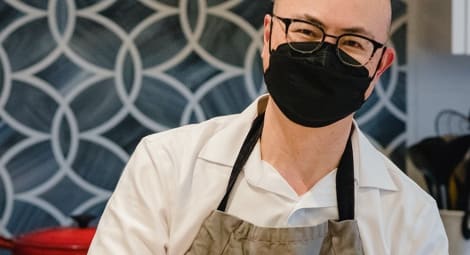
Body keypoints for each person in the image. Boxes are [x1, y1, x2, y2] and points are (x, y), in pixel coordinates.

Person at [88, 0, 449, 254]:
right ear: (268, 37)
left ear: (379, 67)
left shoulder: (411, 218)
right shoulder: (166, 167)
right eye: (307, 31)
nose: (324, 55)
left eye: (353, 42)